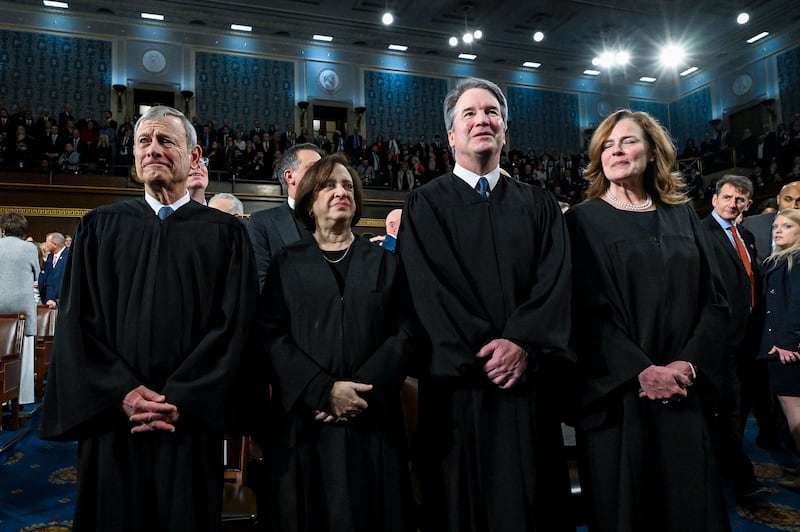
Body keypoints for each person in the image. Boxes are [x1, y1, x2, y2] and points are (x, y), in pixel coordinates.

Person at [40, 105, 259, 532]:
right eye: (144, 141)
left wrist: (180, 396)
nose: (153, 150)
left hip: (189, 423)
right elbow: (76, 324)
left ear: (194, 156)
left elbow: (235, 328)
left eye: (165, 141)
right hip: (114, 422)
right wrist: (121, 392)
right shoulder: (99, 227)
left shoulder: (225, 233)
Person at [398, 77, 574, 531]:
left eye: (492, 112)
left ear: (505, 129)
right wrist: (488, 351)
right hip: (461, 386)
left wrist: (522, 345)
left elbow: (554, 284)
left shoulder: (538, 203)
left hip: (528, 380)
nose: (483, 120)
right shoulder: (425, 203)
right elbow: (429, 290)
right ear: (451, 134)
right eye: (469, 114)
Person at [565, 109, 730, 531]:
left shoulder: (683, 216)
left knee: (692, 507)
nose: (617, 150)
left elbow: (715, 300)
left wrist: (687, 365)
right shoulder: (580, 223)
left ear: (654, 152)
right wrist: (640, 371)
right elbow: (581, 314)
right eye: (607, 144)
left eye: (628, 141)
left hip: (683, 390)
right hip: (620, 397)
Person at [261, 153, 417, 532]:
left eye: (347, 185)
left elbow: (406, 332)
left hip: (373, 422)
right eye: (329, 185)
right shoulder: (287, 261)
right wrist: (322, 391)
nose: (340, 192)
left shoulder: (384, 262)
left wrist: (361, 392)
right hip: (307, 425)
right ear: (310, 201)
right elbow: (270, 335)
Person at [701, 175, 769, 503]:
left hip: (749, 337)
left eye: (740, 200)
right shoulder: (701, 233)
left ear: (748, 204)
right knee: (727, 407)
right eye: (727, 197)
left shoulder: (746, 234)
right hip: (719, 338)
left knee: (740, 406)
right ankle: (743, 479)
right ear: (714, 199)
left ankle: (728, 463)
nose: (732, 204)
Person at [760, 208, 800, 491]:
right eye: (776, 226)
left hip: (787, 349)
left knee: (795, 413)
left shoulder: (797, 260)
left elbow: (797, 303)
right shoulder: (779, 259)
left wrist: (787, 341)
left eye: (787, 226)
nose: (778, 230)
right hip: (784, 345)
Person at [247, 143, 323, 290]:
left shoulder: (335, 222)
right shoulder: (262, 223)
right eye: (313, 168)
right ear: (289, 176)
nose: (322, 175)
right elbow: (261, 284)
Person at [0, 211, 40, 406]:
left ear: (3, 229)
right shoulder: (29, 248)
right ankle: (22, 396)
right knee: (23, 352)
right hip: (22, 307)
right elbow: (36, 273)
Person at [742, 181, 800, 272]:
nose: (793, 206)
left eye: (799, 201)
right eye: (788, 199)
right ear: (778, 199)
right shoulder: (751, 223)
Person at [38, 232, 68, 309]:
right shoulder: (50, 256)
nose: (46, 244)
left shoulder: (69, 256)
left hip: (64, 299)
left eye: (47, 242)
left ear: (55, 244)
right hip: (50, 299)